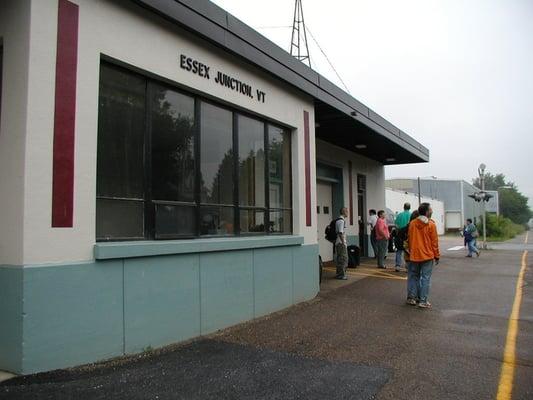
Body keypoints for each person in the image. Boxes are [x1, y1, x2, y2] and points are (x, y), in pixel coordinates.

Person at [406, 202, 440, 309]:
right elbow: (434, 242)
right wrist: (437, 255)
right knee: (425, 278)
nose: (432, 211)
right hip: (427, 255)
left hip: (414, 255)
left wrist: (411, 252)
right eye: (430, 209)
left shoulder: (412, 223)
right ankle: (423, 300)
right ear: (426, 212)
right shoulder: (431, 224)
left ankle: (412, 298)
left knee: (413, 276)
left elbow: (410, 240)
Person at [394, 203, 411, 272]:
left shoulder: (400, 215)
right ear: (409, 208)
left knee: (399, 251)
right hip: (408, 235)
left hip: (400, 235)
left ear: (403, 207)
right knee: (407, 251)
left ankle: (398, 266)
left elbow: (396, 225)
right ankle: (407, 267)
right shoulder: (411, 215)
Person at [335, 207, 349, 280]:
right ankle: (341, 275)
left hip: (339, 242)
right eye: (346, 211)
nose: (348, 212)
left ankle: (339, 274)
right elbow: (340, 232)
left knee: (340, 258)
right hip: (341, 243)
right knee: (343, 259)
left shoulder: (339, 220)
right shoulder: (341, 221)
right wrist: (343, 242)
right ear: (343, 212)